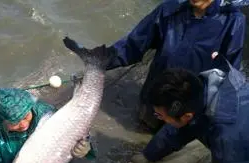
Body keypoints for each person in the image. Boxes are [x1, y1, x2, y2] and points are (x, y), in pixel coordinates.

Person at [105, 0, 246, 131]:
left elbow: (229, 73)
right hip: (154, 101)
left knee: (171, 144)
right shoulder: (170, 8)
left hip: (189, 112)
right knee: (136, 131)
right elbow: (132, 46)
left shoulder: (233, 21)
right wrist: (99, 63)